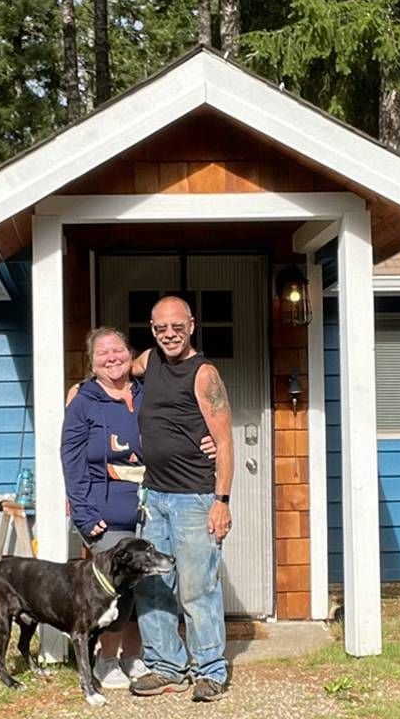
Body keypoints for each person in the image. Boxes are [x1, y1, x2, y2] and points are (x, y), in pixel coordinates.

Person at [60, 327, 216, 690]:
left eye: (118, 350)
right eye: (103, 353)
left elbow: (179, 427)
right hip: (104, 511)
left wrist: (207, 441)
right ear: (92, 362)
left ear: (131, 355)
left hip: (154, 503)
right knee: (118, 587)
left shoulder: (147, 394)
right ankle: (105, 658)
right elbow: (71, 459)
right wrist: (84, 513)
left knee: (148, 584)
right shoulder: (84, 400)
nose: (112, 358)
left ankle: (136, 656)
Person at [128, 295, 234, 703]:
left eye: (177, 327)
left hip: (194, 499)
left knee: (196, 588)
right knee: (152, 585)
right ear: (152, 330)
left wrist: (221, 500)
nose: (169, 335)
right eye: (160, 328)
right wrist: (79, 390)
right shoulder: (149, 361)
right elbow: (119, 370)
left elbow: (224, 442)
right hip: (154, 497)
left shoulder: (204, 373)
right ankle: (165, 666)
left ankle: (210, 670)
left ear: (191, 326)